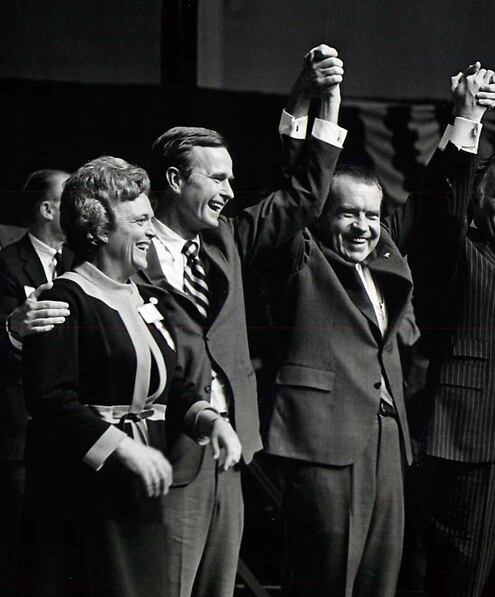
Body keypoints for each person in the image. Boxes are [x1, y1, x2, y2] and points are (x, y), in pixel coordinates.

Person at [138, 44, 346, 597]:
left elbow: (304, 196)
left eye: (232, 180)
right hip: (159, 449)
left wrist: (318, 104)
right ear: (176, 180)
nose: (231, 192)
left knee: (217, 587)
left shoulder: (227, 239)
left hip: (229, 449)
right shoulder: (126, 252)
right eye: (218, 179)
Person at [20, 156, 241, 597]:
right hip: (86, 497)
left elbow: (172, 387)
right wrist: (123, 448)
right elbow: (50, 400)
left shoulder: (146, 300)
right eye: (140, 220)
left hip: (138, 494)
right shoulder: (66, 299)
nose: (149, 231)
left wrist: (210, 420)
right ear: (99, 229)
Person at [391, 63, 495, 597]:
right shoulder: (456, 250)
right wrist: (468, 118)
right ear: (480, 200)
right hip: (470, 440)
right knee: (458, 579)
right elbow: (440, 204)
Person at [254, 159, 413, 597]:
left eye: (373, 216)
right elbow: (290, 205)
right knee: (322, 580)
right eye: (348, 213)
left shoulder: (385, 267)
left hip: (386, 437)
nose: (363, 227)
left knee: (378, 579)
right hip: (323, 438)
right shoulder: (302, 258)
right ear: (321, 215)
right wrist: (317, 116)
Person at [0, 169, 69, 592]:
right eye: (72, 197)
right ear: (47, 209)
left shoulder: (87, 263)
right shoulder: (6, 264)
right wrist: (15, 329)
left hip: (68, 435)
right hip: (17, 435)